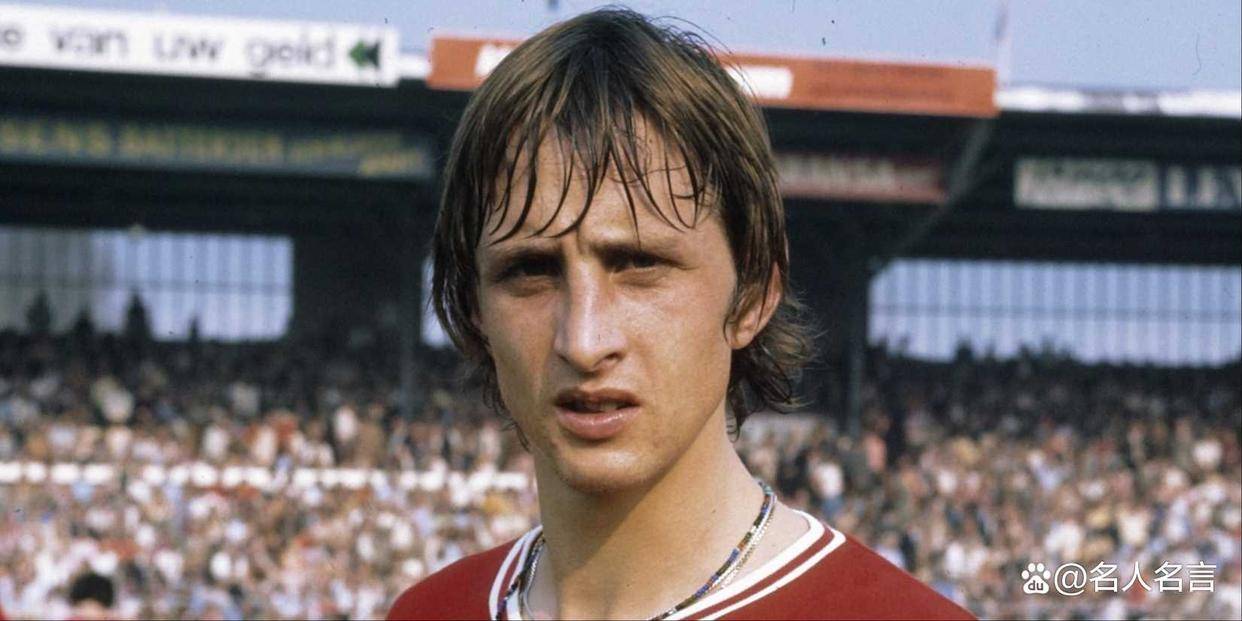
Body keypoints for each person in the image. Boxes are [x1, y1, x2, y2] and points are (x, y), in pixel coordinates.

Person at [389, 8, 973, 620]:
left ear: (753, 294)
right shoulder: (428, 612)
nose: (583, 340)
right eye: (530, 271)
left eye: (639, 263)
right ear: (473, 310)